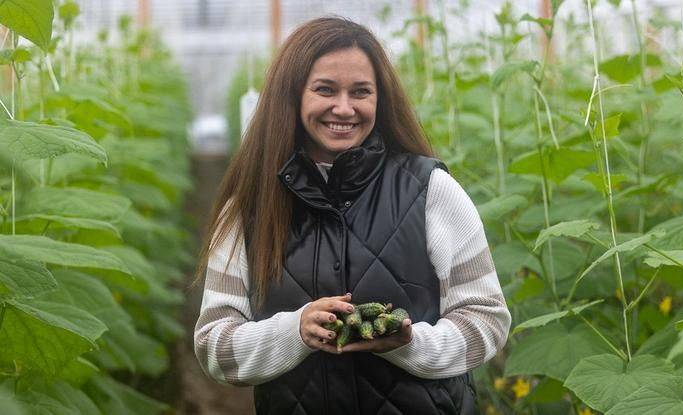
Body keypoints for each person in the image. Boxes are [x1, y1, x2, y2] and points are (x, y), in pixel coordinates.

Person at [193, 16, 511, 415]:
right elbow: (213, 346)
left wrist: (409, 343)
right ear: (292, 96)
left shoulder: (430, 190)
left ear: (380, 99)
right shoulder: (251, 205)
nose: (344, 108)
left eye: (361, 92)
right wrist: (295, 332)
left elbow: (487, 321)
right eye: (325, 89)